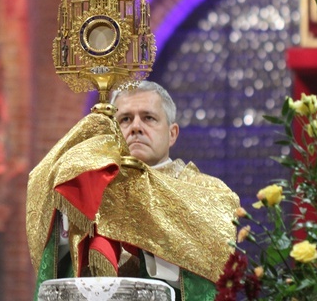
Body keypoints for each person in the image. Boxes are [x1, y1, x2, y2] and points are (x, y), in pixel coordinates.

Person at [26, 81, 239, 300]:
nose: (136, 127)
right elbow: (59, 266)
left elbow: (213, 271)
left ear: (172, 133)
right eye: (125, 119)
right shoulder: (92, 189)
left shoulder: (209, 194)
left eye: (149, 118)